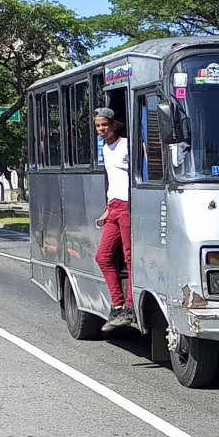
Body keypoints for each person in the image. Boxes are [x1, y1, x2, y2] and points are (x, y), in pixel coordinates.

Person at [93, 107, 133, 332]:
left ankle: (129, 307)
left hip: (128, 206)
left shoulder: (127, 145)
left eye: (104, 125)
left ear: (113, 125)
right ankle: (117, 305)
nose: (101, 129)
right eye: (98, 126)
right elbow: (113, 180)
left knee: (129, 257)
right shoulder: (106, 149)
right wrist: (108, 209)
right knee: (103, 256)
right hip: (114, 207)